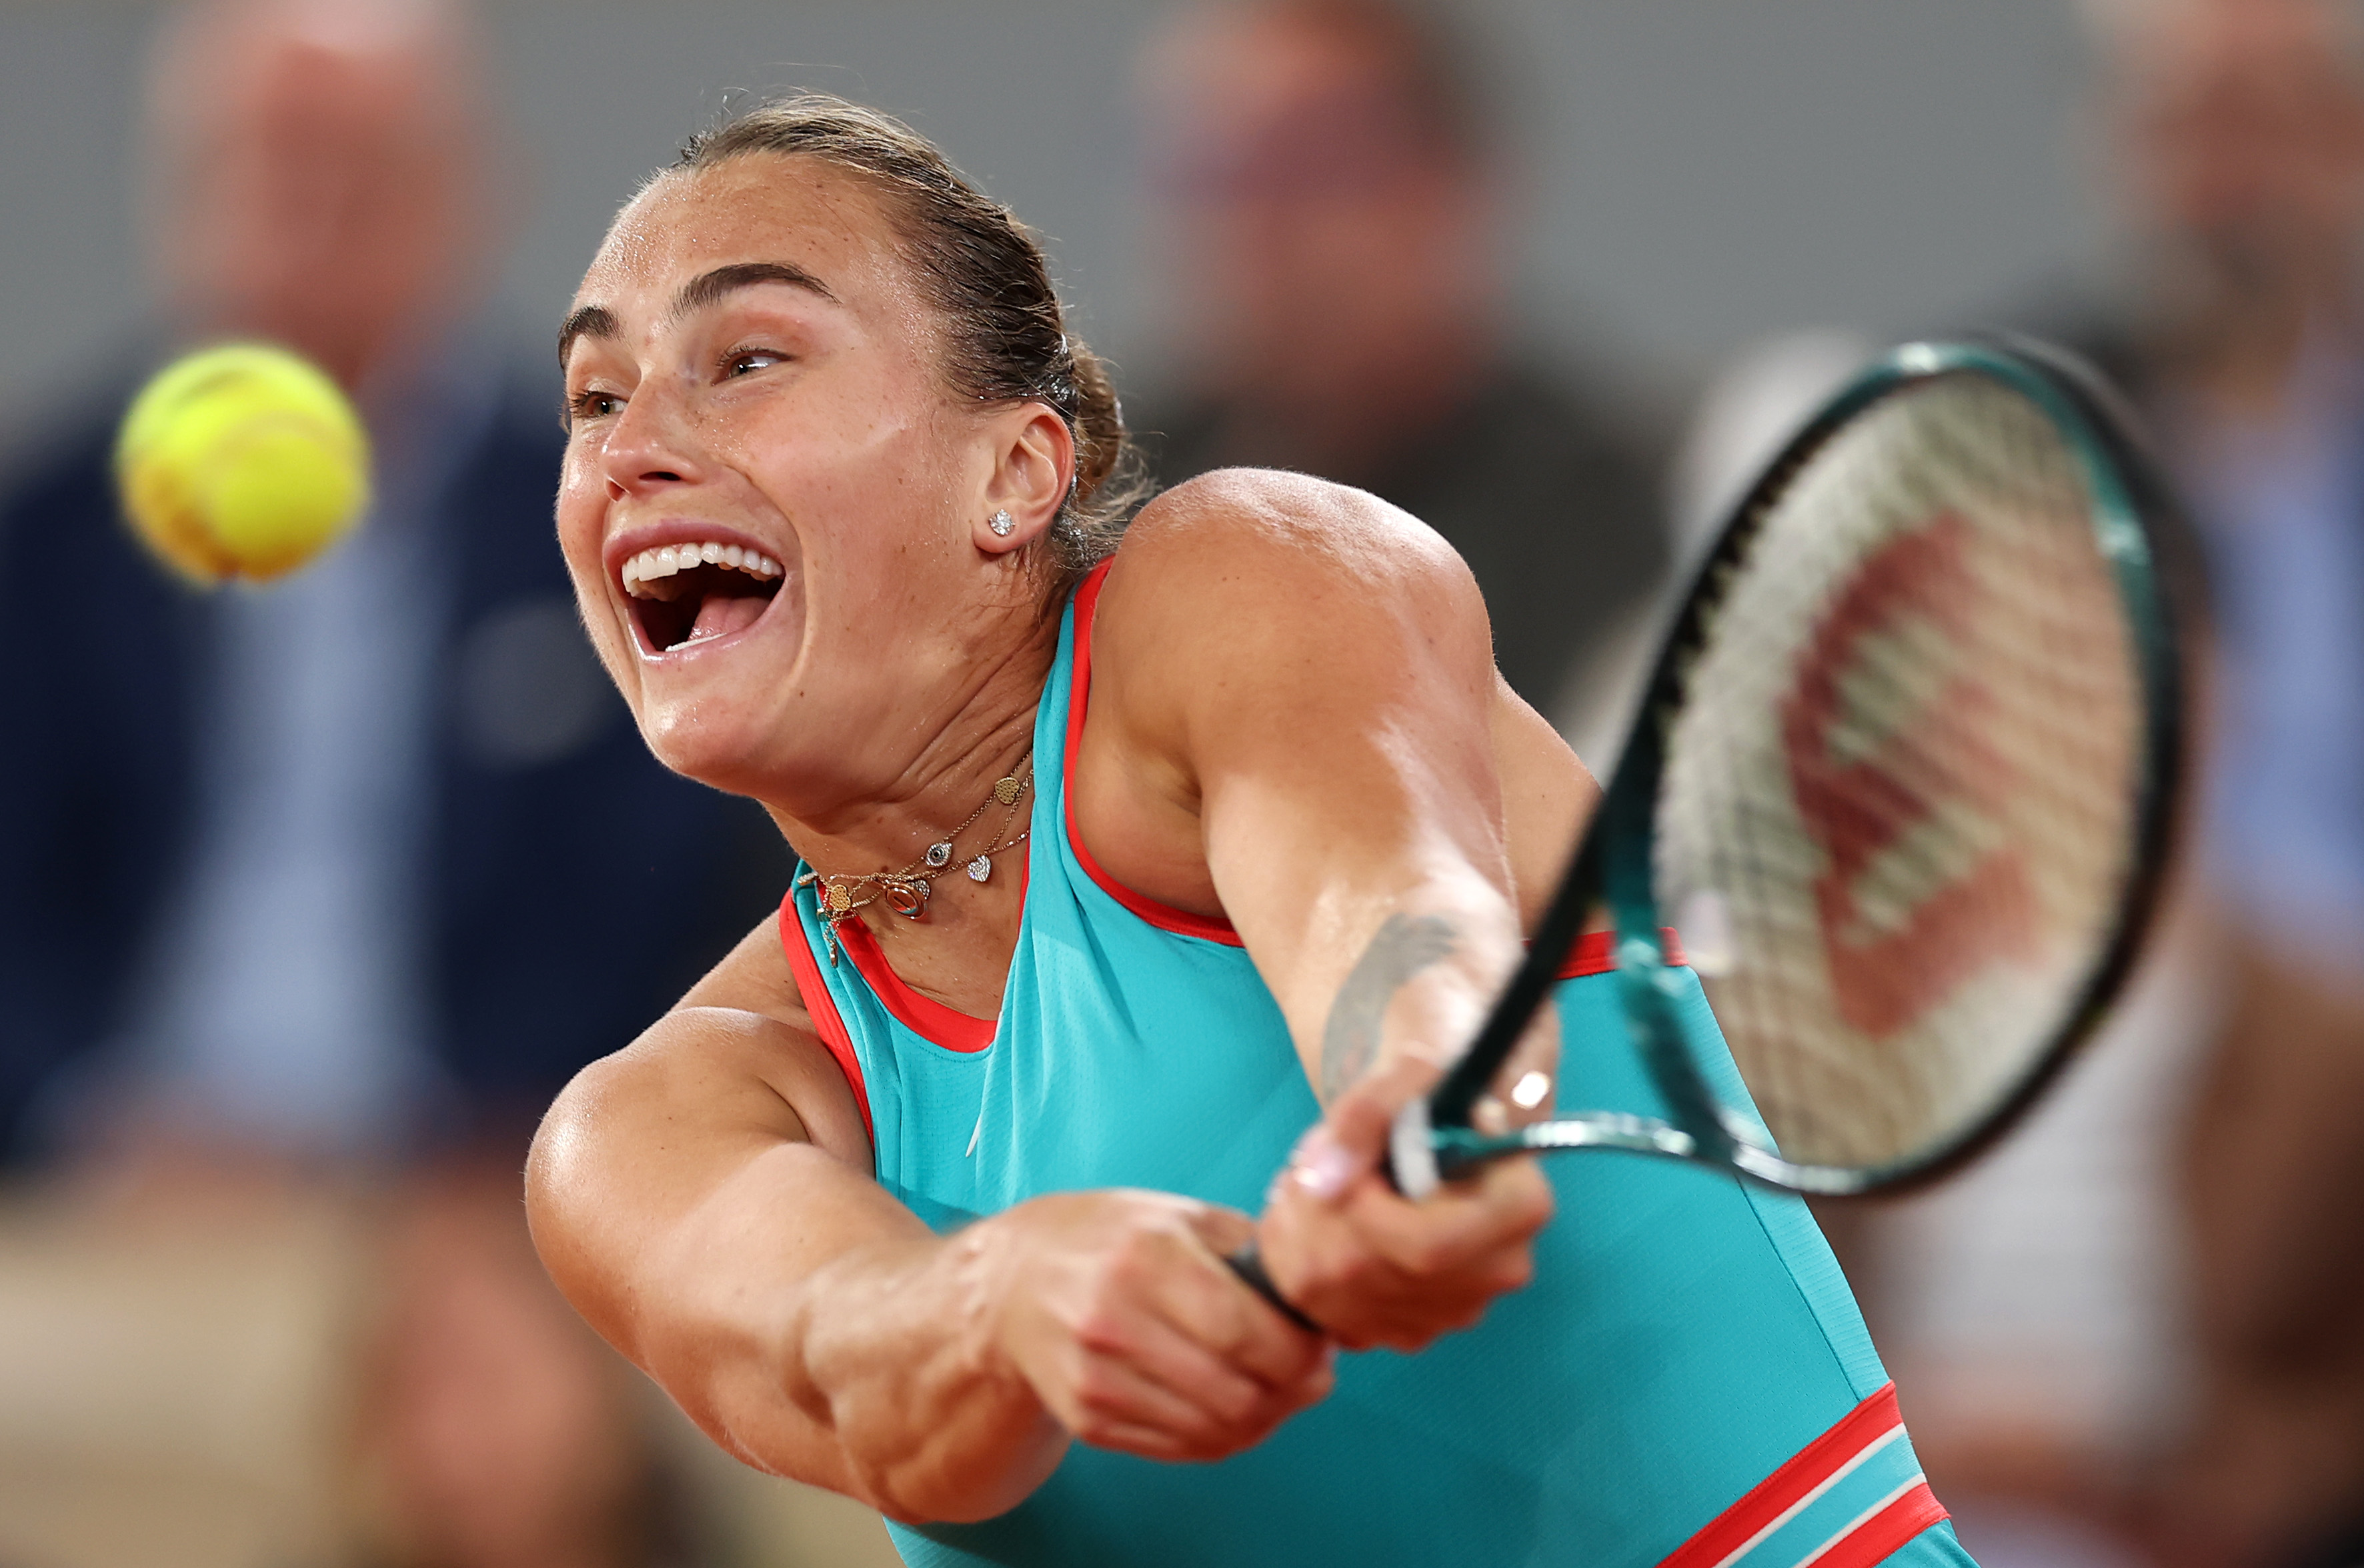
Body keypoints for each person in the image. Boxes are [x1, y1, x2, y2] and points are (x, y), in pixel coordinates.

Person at [526, 94, 1975, 1568]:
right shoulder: (635, 1134)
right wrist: (1002, 1302)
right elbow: (841, 1359)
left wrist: (1418, 1100)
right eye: (592, 400)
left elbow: (1401, 913)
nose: (632, 448)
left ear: (1014, 474)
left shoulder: (1246, 582)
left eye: (748, 359)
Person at [1131, 0, 1666, 749]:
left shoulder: (1602, 518)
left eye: (1311, 166)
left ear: (1452, 187)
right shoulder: (1100, 487)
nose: (1253, 221)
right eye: (1215, 170)